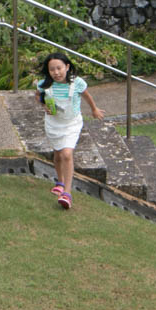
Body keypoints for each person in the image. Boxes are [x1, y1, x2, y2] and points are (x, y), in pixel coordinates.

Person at [36, 52, 104, 209]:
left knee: (67, 154)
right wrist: (44, 105)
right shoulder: (46, 84)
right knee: (58, 154)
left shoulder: (77, 83)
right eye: (52, 69)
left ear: (67, 67)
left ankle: (67, 193)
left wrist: (94, 109)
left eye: (59, 68)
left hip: (72, 123)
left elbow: (86, 96)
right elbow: (38, 95)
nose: (56, 72)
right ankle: (59, 181)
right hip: (53, 123)